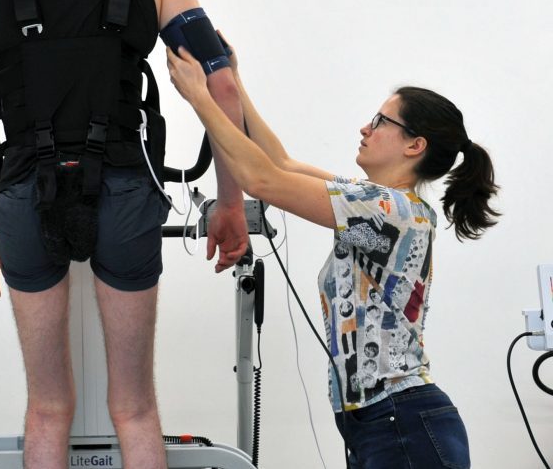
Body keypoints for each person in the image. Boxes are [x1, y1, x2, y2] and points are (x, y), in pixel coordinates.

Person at [0, 0, 249, 469]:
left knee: (48, 407)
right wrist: (229, 203)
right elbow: (223, 87)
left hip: (22, 197)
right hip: (123, 191)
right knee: (134, 407)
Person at [167, 43, 499, 469]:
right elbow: (278, 163)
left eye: (381, 121)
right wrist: (232, 81)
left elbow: (261, 179)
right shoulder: (380, 204)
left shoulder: (389, 210)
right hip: (380, 425)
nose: (366, 127)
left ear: (415, 145)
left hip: (401, 423)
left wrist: (198, 95)